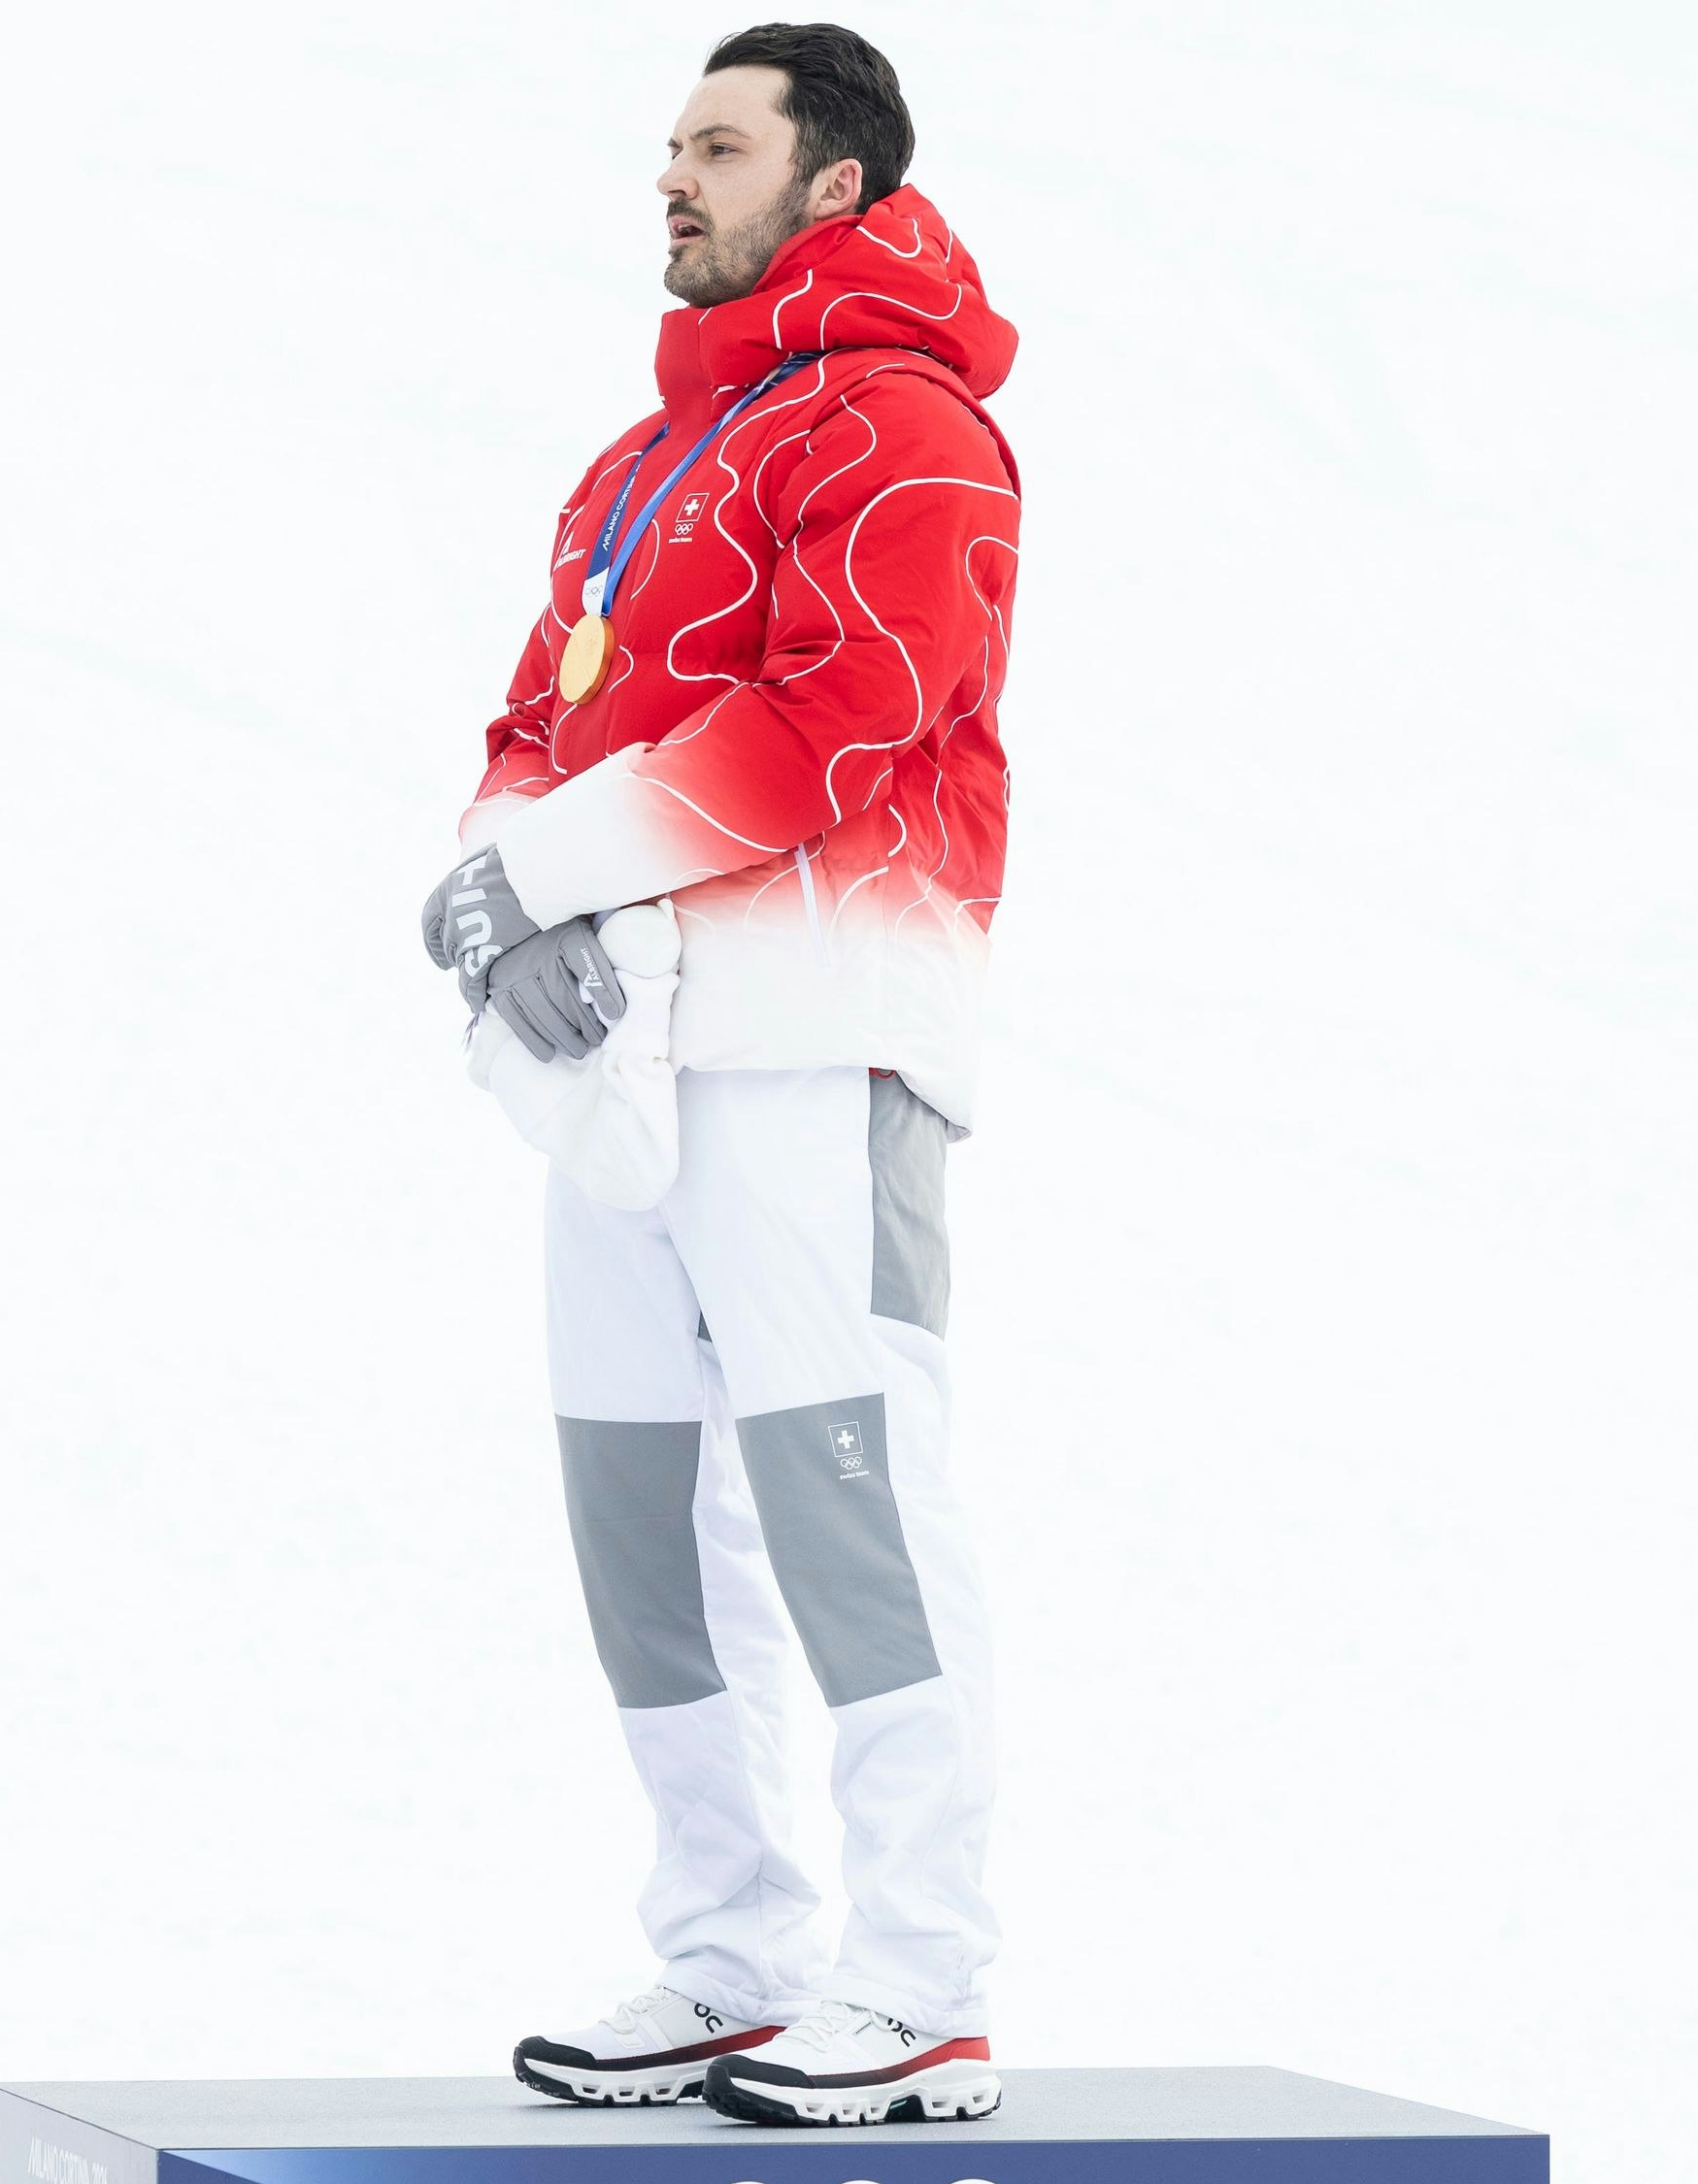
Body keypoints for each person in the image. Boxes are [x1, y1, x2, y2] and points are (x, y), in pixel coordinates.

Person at [417, 20, 1022, 2134]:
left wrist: (556, 874)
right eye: (664, 143)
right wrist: (510, 899)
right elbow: (532, 714)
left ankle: (920, 1981)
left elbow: (840, 719)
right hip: (624, 1058)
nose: (669, 177)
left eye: (715, 144)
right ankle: (726, 1953)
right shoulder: (636, 457)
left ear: (832, 182)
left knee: (844, 1492)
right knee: (635, 1515)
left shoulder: (910, 430)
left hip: (816, 1025)